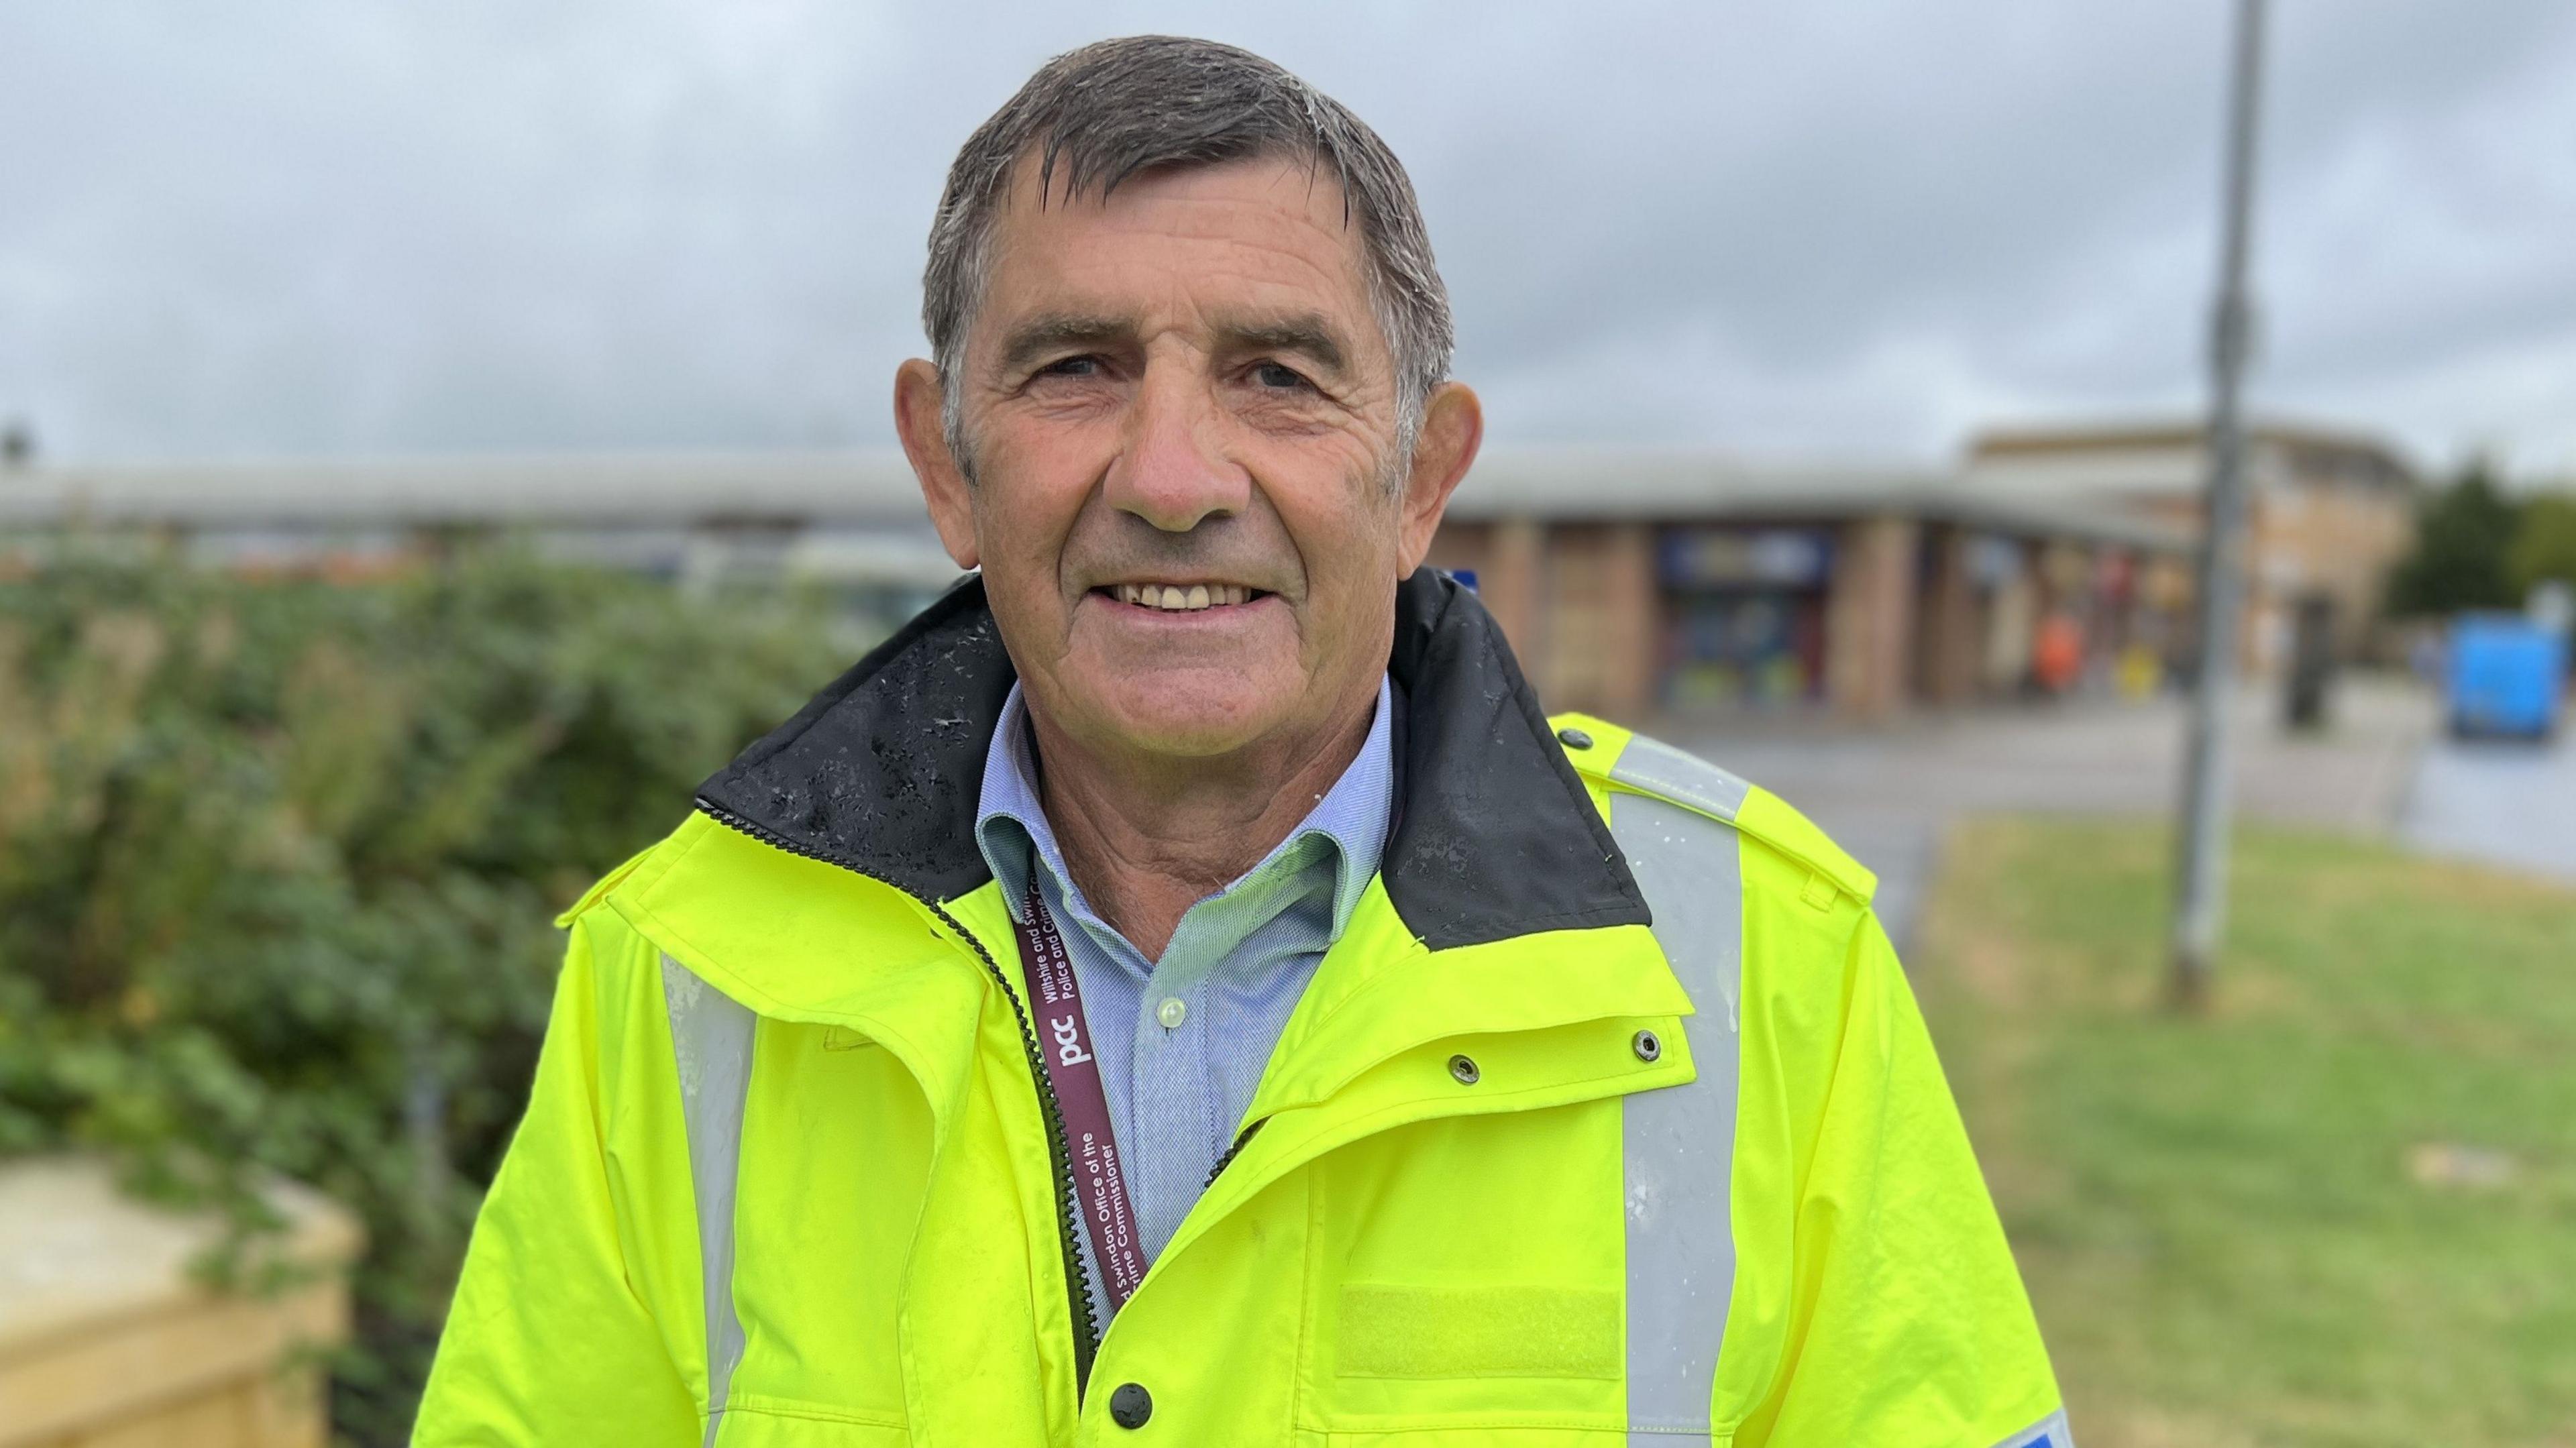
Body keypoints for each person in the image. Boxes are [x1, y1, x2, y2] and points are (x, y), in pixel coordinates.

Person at [416, 36, 2070, 1448]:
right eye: (1077, 369)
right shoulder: (688, 968)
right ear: (947, 465)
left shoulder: (1766, 959)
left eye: (1278, 375)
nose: (1174, 475)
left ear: (1421, 477)